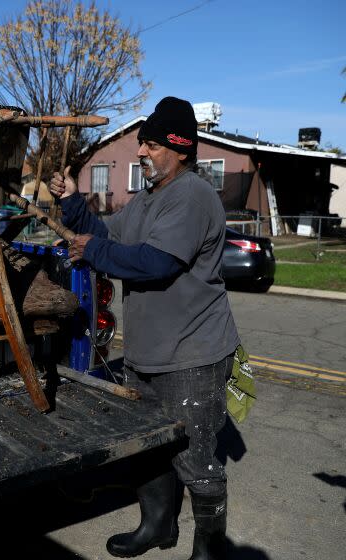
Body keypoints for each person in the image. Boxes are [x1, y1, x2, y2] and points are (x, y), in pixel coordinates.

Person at [49, 97, 239, 560]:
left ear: (179, 148)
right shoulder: (148, 198)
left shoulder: (193, 195)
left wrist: (91, 250)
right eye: (141, 144)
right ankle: (157, 527)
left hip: (192, 355)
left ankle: (210, 549)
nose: (141, 152)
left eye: (150, 145)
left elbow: (155, 264)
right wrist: (72, 202)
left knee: (196, 460)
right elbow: (107, 234)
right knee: (152, 451)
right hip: (147, 353)